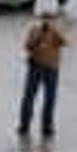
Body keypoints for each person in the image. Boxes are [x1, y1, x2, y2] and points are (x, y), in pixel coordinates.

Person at [17, 10, 67, 140]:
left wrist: (55, 30)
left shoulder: (56, 31)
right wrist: (39, 35)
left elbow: (65, 42)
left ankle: (47, 127)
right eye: (45, 18)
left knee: (50, 99)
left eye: (50, 18)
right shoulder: (34, 30)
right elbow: (27, 46)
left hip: (52, 68)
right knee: (28, 97)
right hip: (35, 66)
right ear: (41, 19)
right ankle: (24, 125)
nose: (47, 21)